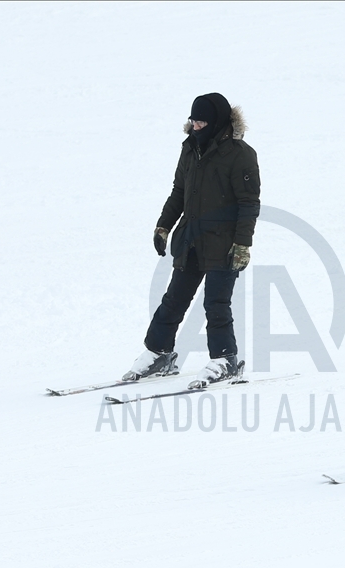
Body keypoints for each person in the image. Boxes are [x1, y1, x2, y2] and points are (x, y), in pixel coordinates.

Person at [122, 93, 261, 388]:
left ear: (218, 122)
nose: (196, 126)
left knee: (216, 303)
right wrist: (163, 226)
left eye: (202, 121)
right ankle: (159, 353)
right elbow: (178, 193)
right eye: (193, 120)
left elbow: (249, 203)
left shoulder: (240, 154)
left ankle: (225, 360)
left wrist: (242, 244)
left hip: (224, 242)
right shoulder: (189, 149)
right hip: (192, 239)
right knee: (174, 300)